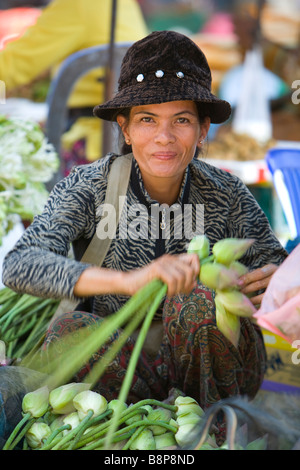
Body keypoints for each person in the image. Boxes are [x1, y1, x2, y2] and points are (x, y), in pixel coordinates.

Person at [2, 30, 288, 444]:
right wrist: (128, 281)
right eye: (147, 120)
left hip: (209, 375)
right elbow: (19, 265)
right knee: (71, 332)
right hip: (120, 368)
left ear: (204, 129)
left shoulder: (225, 193)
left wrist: (268, 280)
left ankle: (212, 433)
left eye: (182, 120)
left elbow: (277, 265)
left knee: (194, 303)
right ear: (126, 128)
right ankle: (135, 429)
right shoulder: (90, 186)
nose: (164, 138)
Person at [0, 0, 148, 174]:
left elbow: (11, 68)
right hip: (132, 144)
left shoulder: (77, 4)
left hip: (91, 147)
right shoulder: (123, 4)